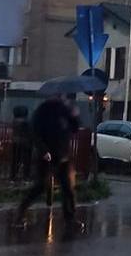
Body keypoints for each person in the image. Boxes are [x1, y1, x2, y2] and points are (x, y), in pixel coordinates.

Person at [14, 94, 83, 230]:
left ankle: (70, 219)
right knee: (40, 186)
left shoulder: (65, 109)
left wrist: (75, 116)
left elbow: (74, 129)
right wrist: (43, 150)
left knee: (68, 188)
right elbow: (34, 132)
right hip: (46, 155)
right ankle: (21, 211)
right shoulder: (43, 111)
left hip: (63, 155)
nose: (61, 97)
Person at [9, 105, 31, 181]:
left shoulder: (14, 121)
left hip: (15, 141)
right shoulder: (26, 122)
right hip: (25, 143)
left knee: (15, 160)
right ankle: (26, 176)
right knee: (26, 161)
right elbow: (29, 132)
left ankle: (13, 176)